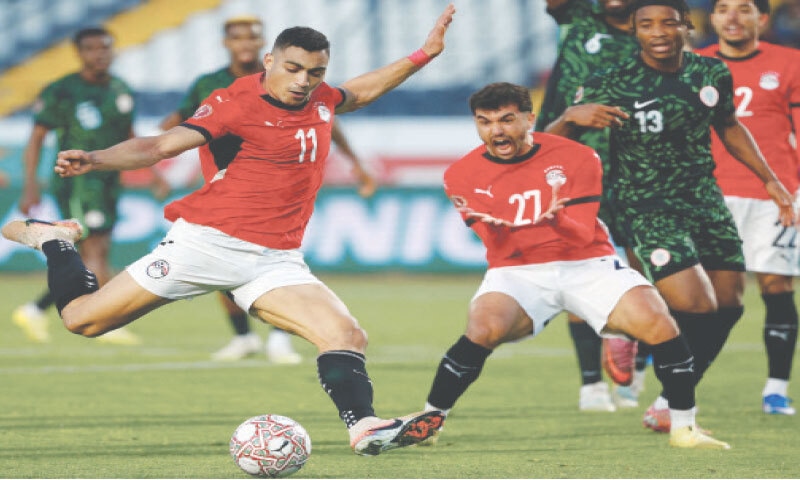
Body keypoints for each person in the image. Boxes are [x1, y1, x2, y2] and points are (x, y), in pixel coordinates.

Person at [1, 4, 455, 456]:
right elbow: (161, 144)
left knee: (346, 335)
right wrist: (97, 158)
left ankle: (365, 427)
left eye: (315, 72)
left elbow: (358, 92)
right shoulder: (234, 103)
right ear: (270, 61)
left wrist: (423, 55)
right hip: (207, 243)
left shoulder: (320, 98)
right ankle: (54, 240)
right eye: (294, 68)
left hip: (275, 260)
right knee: (82, 320)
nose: (303, 81)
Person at [421, 82, 729, 449]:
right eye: (485, 122)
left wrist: (555, 220)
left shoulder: (577, 156)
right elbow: (496, 244)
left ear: (529, 118)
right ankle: (429, 421)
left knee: (657, 321)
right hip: (518, 270)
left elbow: (582, 232)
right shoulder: (461, 174)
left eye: (507, 120)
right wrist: (505, 228)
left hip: (586, 264)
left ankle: (684, 428)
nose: (497, 131)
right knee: (483, 327)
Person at [545, 0, 796, 432]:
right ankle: (649, 363)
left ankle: (668, 398)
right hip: (646, 205)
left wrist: (770, 180)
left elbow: (729, 125)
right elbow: (550, 144)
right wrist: (569, 116)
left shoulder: (711, 73)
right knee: (694, 305)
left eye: (667, 23)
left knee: (730, 305)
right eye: (646, 25)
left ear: (687, 26)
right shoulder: (613, 81)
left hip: (704, 200)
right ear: (636, 32)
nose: (657, 31)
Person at [159, 15, 377, 364]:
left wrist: (355, 162)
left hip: (280, 187)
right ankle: (244, 338)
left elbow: (325, 117)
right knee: (224, 271)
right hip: (228, 191)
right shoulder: (210, 85)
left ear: (264, 47)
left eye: (253, 38)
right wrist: (170, 157)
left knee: (279, 265)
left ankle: (279, 339)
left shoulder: (293, 79)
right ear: (226, 43)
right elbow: (179, 125)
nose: (246, 44)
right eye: (239, 38)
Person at [10, 27, 169, 346]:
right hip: (78, 181)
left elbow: (128, 134)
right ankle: (108, 319)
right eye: (92, 48)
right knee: (94, 248)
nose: (100, 54)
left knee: (94, 251)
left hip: (110, 180)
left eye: (105, 48)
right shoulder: (63, 90)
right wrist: (31, 185)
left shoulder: (120, 88)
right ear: (80, 53)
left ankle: (35, 309)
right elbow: (37, 138)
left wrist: (152, 173)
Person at [536, 0, 646, 412]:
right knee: (577, 270)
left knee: (648, 272)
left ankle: (636, 365)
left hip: (639, 172)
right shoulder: (580, 16)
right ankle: (591, 384)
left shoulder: (658, 34)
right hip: (575, 165)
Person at [696, 0, 800, 415]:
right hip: (708, 196)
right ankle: (677, 383)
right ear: (713, 18)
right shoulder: (691, 65)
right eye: (723, 9)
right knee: (711, 300)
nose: (733, 18)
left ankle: (776, 389)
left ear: (763, 19)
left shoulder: (791, 63)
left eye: (744, 9)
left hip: (772, 196)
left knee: (777, 287)